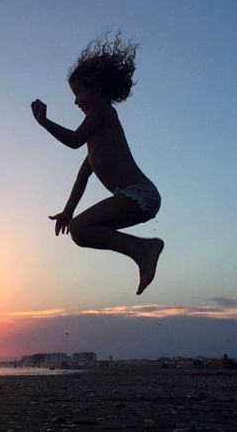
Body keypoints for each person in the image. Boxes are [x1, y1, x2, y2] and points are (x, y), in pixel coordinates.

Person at [31, 32, 164, 295]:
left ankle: (144, 250)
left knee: (81, 229)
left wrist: (44, 122)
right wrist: (67, 212)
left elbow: (73, 140)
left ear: (97, 87)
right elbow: (82, 178)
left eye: (78, 92)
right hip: (138, 197)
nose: (75, 101)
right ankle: (142, 250)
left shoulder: (102, 112)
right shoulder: (96, 145)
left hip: (138, 194)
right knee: (81, 230)